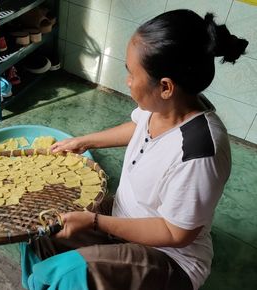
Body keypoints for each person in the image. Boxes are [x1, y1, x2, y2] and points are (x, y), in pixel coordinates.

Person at [20, 9, 248, 290]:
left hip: (170, 257)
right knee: (38, 230)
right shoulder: (164, 107)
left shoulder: (200, 153)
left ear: (165, 86)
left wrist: (95, 222)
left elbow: (175, 233)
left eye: (131, 73)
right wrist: (84, 141)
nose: (127, 81)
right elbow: (137, 128)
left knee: (71, 274)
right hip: (123, 217)